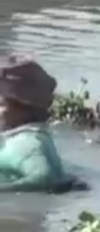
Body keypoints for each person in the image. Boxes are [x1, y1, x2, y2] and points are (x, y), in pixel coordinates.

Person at [0, 55, 72, 192]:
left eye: (0, 104)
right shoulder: (23, 137)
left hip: (19, 211)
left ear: (24, 108)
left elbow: (44, 177)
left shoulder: (28, 143)